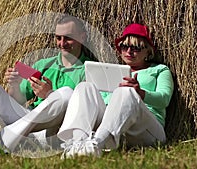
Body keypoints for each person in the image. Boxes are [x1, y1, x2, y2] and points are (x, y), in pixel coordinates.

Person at [0, 15, 94, 160]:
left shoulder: (89, 70)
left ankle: (0, 141)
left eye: (68, 38)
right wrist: (14, 85)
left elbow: (86, 113)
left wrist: (50, 95)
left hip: (52, 133)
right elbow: (17, 101)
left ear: (82, 37)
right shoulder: (43, 64)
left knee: (65, 94)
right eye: (58, 38)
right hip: (28, 123)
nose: (62, 43)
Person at [57, 23, 174, 158]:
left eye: (136, 47)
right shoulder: (113, 71)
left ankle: (96, 144)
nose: (129, 51)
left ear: (148, 51)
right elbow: (102, 101)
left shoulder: (159, 70)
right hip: (114, 128)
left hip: (147, 131)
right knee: (85, 87)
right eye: (125, 47)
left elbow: (164, 99)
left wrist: (140, 93)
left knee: (126, 92)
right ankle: (78, 143)